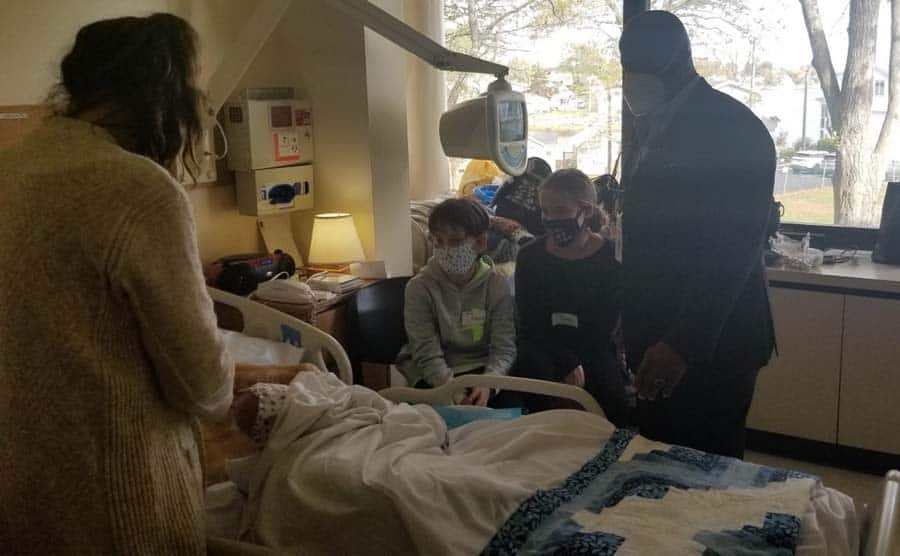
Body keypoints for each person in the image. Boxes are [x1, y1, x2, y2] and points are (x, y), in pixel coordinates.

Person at [0, 14, 235, 554]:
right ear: (160, 94)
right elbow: (205, 385)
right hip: (115, 499)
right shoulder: (139, 190)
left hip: (24, 487)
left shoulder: (12, 170)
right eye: (192, 89)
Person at [618, 11, 776, 458]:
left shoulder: (735, 128)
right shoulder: (654, 125)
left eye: (643, 66)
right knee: (659, 463)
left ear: (680, 60)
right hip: (658, 334)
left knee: (707, 469)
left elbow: (733, 251)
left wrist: (681, 344)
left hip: (713, 342)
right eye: (627, 66)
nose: (633, 78)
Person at [514, 169, 630, 425]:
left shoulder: (611, 258)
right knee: (535, 373)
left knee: (615, 414)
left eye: (559, 211)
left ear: (585, 211)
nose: (549, 219)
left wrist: (579, 366)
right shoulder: (530, 257)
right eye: (545, 211)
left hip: (594, 348)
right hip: (543, 346)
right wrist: (566, 362)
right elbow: (531, 322)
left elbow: (604, 326)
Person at [397, 198, 516, 406]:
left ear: (479, 243)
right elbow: (426, 351)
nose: (444, 249)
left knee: (509, 418)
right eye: (438, 241)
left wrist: (489, 383)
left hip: (483, 370)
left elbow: (504, 347)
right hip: (433, 373)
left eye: (454, 241)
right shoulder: (419, 287)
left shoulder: (497, 285)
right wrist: (452, 392)